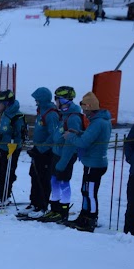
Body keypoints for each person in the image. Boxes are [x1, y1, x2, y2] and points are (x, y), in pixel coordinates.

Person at [62, 92, 111, 232]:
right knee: (85, 190)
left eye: (85, 109)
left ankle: (91, 218)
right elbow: (89, 137)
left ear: (90, 108)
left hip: (94, 163)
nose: (83, 112)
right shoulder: (99, 121)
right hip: (91, 162)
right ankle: (84, 215)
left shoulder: (98, 123)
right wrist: (78, 133)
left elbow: (84, 143)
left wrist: (70, 136)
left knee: (90, 192)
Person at [38, 86, 83, 223]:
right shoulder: (63, 116)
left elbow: (71, 144)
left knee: (63, 182)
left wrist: (63, 162)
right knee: (54, 181)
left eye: (57, 99)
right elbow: (56, 136)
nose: (55, 102)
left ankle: (63, 211)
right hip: (57, 154)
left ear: (64, 100)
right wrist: (40, 148)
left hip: (65, 156)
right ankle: (54, 209)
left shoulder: (73, 118)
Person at [24, 87, 60, 217]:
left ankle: (42, 205)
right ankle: (34, 202)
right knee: (34, 175)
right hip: (38, 151)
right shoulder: (41, 111)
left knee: (43, 178)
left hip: (46, 153)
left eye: (37, 99)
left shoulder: (51, 114)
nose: (36, 102)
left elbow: (54, 136)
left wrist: (42, 148)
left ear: (43, 99)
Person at [0, 89, 25, 203]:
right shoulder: (5, 114)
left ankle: (6, 195)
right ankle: (1, 194)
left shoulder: (17, 116)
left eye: (0, 103)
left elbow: (19, 134)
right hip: (2, 147)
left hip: (11, 150)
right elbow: (5, 130)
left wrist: (13, 138)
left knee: (7, 173)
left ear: (7, 103)